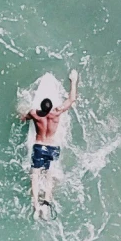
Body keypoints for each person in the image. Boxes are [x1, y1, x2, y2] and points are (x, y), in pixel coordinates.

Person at [18, 72, 78, 219]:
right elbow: (72, 99)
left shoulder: (35, 113)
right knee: (49, 176)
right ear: (51, 106)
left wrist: (21, 113)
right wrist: (73, 80)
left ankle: (36, 206)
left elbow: (22, 118)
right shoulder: (57, 112)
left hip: (39, 146)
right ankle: (46, 202)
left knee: (35, 176)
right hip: (52, 147)